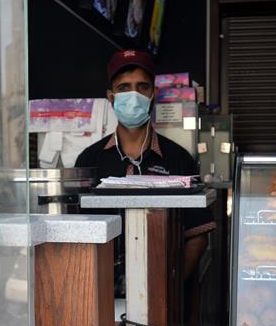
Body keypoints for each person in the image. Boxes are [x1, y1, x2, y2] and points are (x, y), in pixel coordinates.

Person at [75, 50, 215, 276]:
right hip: (102, 286)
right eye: (124, 87)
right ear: (111, 97)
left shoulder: (179, 159)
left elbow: (198, 235)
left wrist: (171, 287)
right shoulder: (89, 160)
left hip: (162, 287)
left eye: (142, 86)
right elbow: (77, 234)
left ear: (154, 94)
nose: (133, 95)